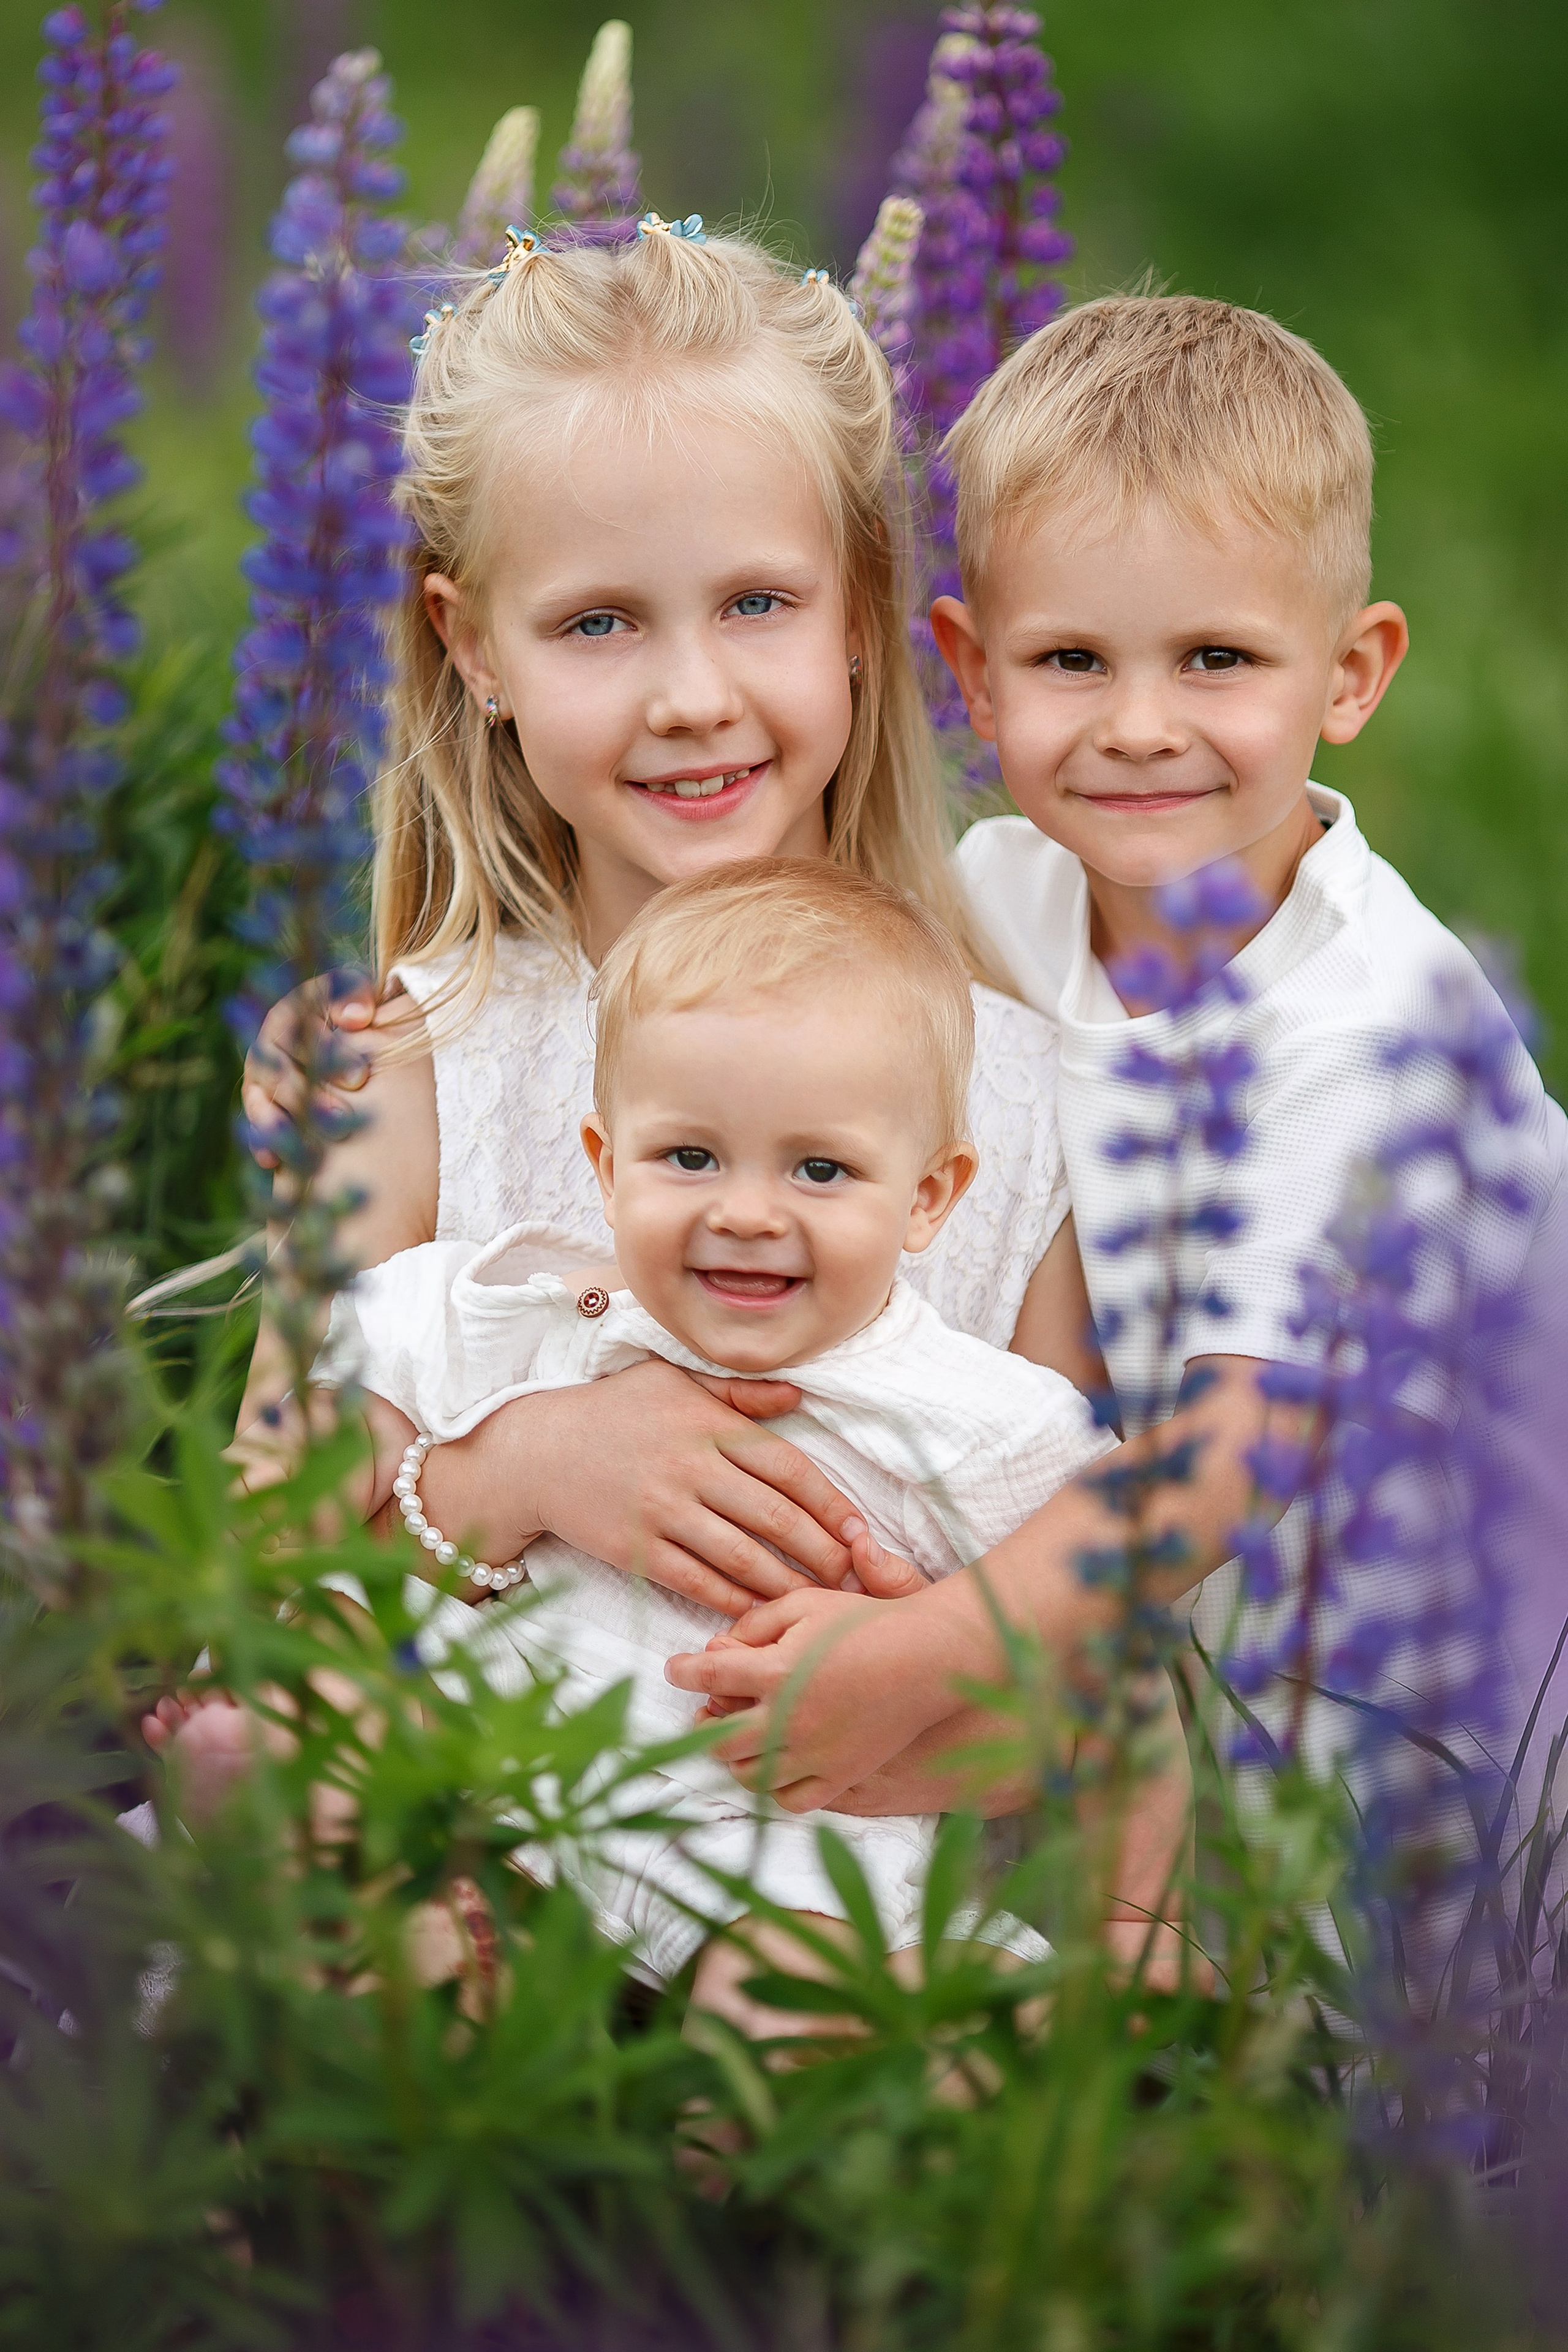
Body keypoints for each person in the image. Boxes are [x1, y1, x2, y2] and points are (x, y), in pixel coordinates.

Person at [660, 295, 1568, 1826]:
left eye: (1215, 657)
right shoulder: (999, 893)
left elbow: (1230, 1455)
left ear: (1349, 673)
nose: (1140, 727)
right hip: (1139, 1673)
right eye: (1071, 658)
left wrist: (926, 1650)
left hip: (1422, 1732)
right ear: (973, 674)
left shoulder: (1363, 1032)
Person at [235, 214, 1102, 1640]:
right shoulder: (410, 1078)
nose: (691, 697)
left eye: (756, 602)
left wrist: (905, 1668)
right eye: (597, 623)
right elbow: (261, 1571)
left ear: (858, 608)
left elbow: (1076, 1645)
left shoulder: (1011, 1105)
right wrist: (515, 1471)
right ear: (472, 645)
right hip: (460, 1778)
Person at [292, 861, 1121, 2029]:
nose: (744, 1212)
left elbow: (1105, 1632)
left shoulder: (978, 1417)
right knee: (325, 1716)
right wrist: (470, 1456)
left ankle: (737, 2126)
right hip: (510, 1759)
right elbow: (344, 1389)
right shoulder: (564, 1309)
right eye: (689, 1159)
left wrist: (1142, 1920)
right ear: (605, 1164)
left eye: (820, 1170)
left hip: (771, 1838)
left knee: (789, 2002)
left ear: (932, 1197)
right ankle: (437, 2037)